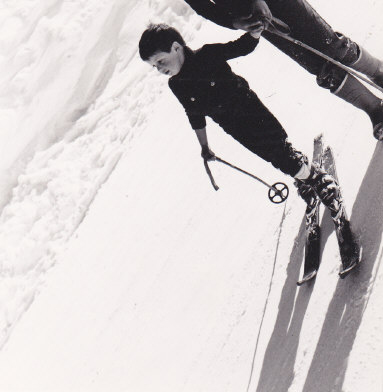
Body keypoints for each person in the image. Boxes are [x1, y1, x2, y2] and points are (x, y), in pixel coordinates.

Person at [138, 23, 347, 217]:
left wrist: (255, 33)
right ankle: (299, 170)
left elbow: (239, 48)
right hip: (233, 127)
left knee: (278, 150)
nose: (159, 69)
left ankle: (316, 180)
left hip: (251, 111)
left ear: (176, 48)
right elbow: (194, 114)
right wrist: (204, 146)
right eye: (154, 66)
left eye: (160, 61)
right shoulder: (177, 85)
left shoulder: (207, 55)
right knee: (271, 154)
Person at [182, 0, 383, 140]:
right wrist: (235, 22)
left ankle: (379, 73)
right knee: (319, 66)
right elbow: (202, 5)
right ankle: (374, 108)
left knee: (332, 46)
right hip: (253, 15)